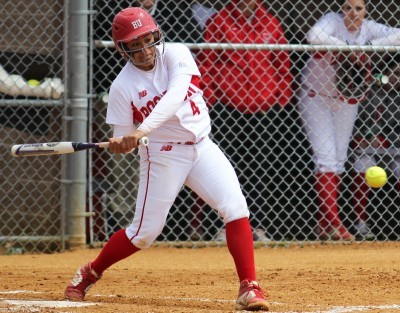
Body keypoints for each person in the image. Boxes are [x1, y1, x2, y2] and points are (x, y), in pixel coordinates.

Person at [64, 7, 270, 311]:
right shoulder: (123, 87)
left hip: (201, 147)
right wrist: (124, 143)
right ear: (123, 49)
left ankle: (248, 287)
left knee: (235, 207)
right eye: (135, 44)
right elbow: (126, 139)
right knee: (144, 234)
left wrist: (142, 128)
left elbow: (175, 94)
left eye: (147, 39)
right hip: (163, 156)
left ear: (156, 35)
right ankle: (90, 272)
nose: (145, 50)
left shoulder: (176, 53)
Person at [298, 0, 400, 240]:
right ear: (341, 9)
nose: (353, 13)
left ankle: (325, 224)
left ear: (365, 11)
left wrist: (367, 46)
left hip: (346, 99)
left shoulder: (368, 28)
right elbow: (313, 35)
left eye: (358, 8)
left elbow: (398, 34)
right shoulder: (332, 21)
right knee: (326, 157)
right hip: (316, 96)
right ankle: (335, 223)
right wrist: (344, 46)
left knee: (340, 158)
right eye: (347, 7)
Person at [197, 0, 293, 241]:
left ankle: (257, 226)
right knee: (224, 169)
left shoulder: (270, 21)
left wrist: (282, 94)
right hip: (228, 106)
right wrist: (209, 96)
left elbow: (282, 61)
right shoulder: (220, 20)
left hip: (264, 106)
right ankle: (222, 228)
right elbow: (208, 60)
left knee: (260, 169)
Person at [348, 54, 400, 240]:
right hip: (366, 145)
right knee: (364, 163)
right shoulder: (368, 92)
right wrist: (366, 137)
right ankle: (360, 222)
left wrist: (387, 140)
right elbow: (353, 122)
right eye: (394, 73)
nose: (397, 78)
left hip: (394, 147)